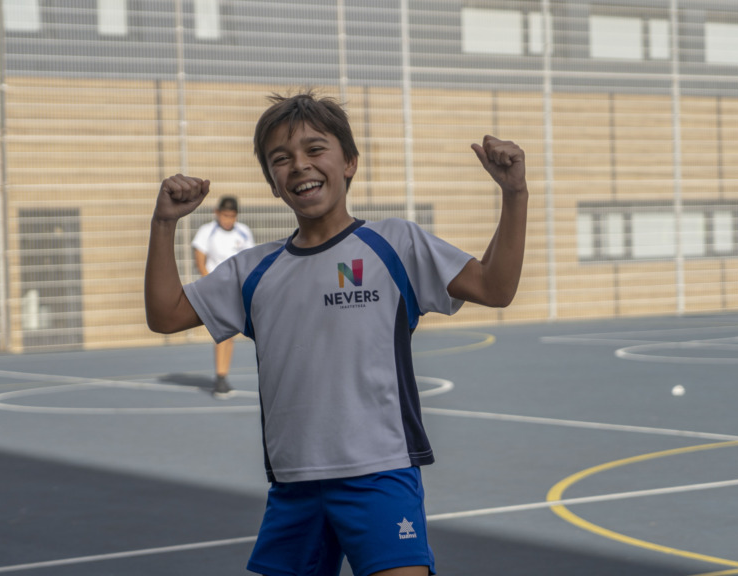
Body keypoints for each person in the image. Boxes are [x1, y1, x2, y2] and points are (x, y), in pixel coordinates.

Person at [145, 90, 529, 576]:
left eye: (314, 149)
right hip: (294, 483)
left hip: (380, 474)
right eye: (280, 159)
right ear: (272, 183)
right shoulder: (253, 270)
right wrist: (164, 223)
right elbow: (166, 315)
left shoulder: (396, 244)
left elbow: (495, 287)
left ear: (349, 162)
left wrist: (514, 194)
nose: (299, 165)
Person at [191, 195, 255, 398]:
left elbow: (249, 260)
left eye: (232, 216)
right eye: (225, 215)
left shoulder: (243, 232)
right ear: (217, 213)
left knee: (231, 333)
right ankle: (220, 377)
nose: (228, 220)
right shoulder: (207, 231)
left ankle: (223, 376)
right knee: (222, 333)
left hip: (236, 289)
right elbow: (200, 261)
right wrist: (211, 285)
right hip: (216, 289)